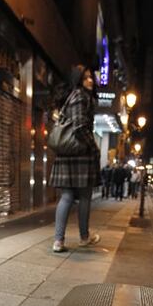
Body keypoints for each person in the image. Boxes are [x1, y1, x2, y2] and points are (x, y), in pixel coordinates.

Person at [49, 64, 101, 253]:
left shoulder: (71, 96)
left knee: (67, 195)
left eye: (91, 77)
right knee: (84, 196)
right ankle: (84, 237)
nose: (91, 81)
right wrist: (93, 147)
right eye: (86, 77)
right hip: (79, 155)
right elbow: (80, 126)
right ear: (78, 79)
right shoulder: (80, 96)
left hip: (67, 154)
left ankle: (58, 241)